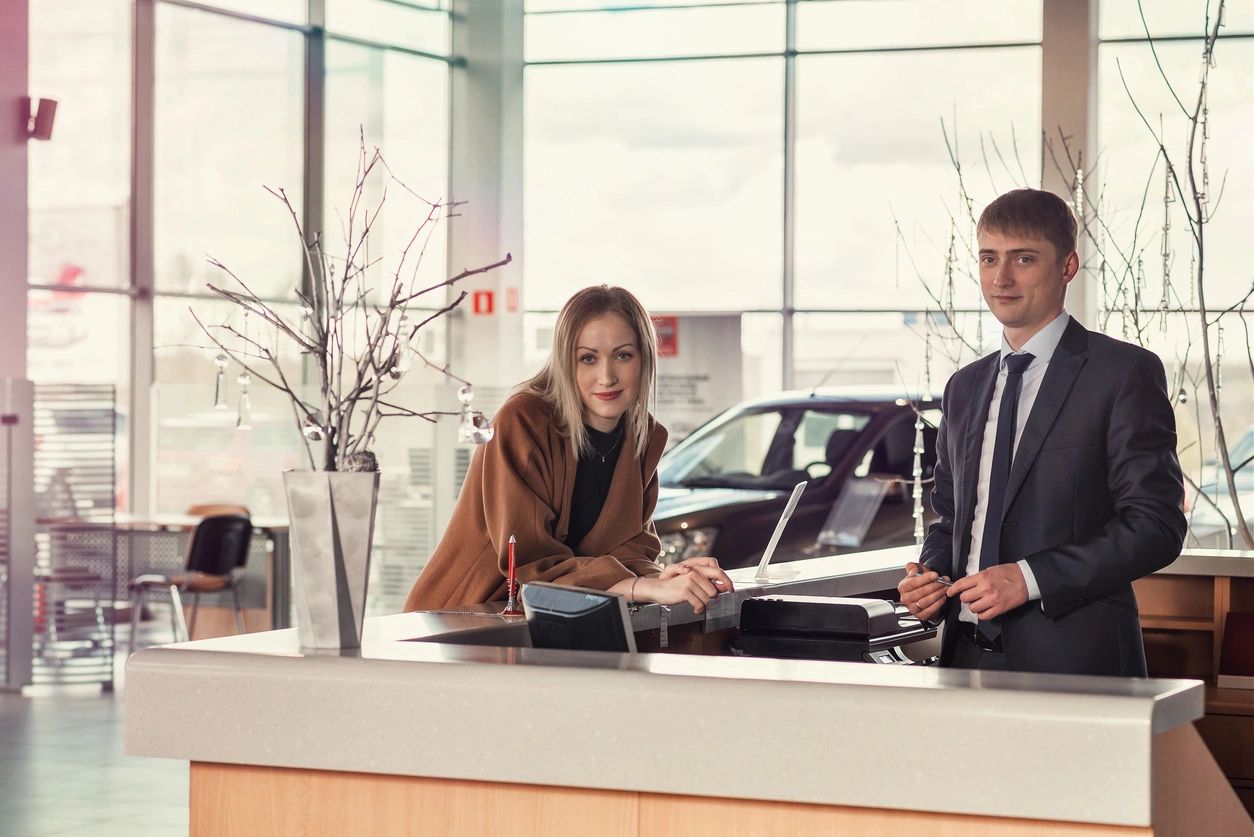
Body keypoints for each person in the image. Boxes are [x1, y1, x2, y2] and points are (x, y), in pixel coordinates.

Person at [897, 188, 1186, 676]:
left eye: (1023, 259)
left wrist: (1028, 579)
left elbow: (1156, 526)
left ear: (1068, 267)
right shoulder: (964, 387)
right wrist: (929, 576)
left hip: (1076, 660)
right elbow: (951, 521)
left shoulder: (1121, 373)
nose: (1000, 277)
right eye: (989, 259)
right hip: (962, 657)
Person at [404, 285, 733, 613]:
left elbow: (628, 551)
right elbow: (533, 567)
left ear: (644, 359)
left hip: (550, 622)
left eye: (623, 355)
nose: (606, 377)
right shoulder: (523, 422)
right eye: (588, 358)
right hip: (462, 619)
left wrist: (665, 578)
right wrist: (642, 587)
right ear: (565, 361)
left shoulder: (643, 438)